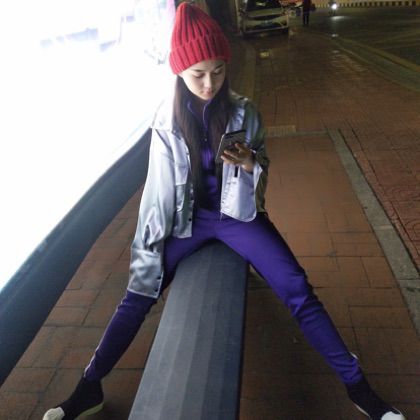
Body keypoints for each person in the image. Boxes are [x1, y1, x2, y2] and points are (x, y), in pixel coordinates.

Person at [43, 3, 405, 420]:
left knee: (298, 290)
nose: (209, 83)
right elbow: (157, 197)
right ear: (179, 72)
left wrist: (251, 164)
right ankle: (89, 386)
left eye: (218, 71)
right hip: (187, 223)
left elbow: (260, 184)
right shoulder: (165, 121)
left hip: (237, 218)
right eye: (198, 73)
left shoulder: (244, 111)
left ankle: (358, 387)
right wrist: (147, 252)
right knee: (138, 295)